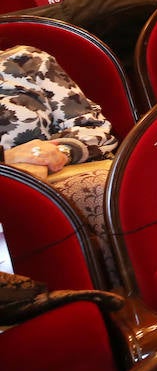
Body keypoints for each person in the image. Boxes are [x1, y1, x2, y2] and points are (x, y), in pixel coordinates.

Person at [0, 45, 118, 268]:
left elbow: (92, 126)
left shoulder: (25, 60)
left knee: (114, 189)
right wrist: (8, 161)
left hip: (59, 175)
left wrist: (58, 153)